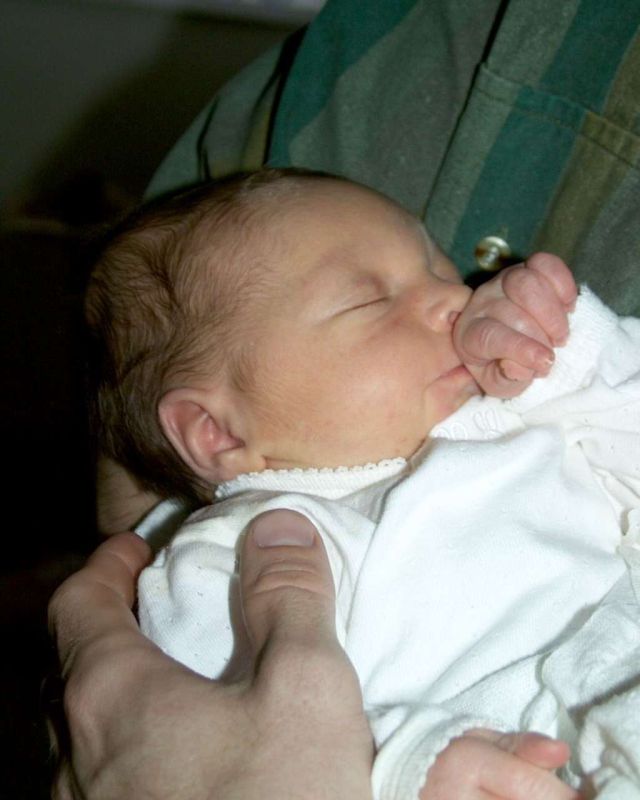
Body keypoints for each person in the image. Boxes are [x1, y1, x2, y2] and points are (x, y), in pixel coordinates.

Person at [85, 167, 640, 799]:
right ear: (218, 432)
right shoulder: (229, 560)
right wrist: (408, 765)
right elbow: (228, 747)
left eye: (441, 268)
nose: (454, 299)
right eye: (369, 301)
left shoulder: (521, 413)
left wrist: (564, 353)